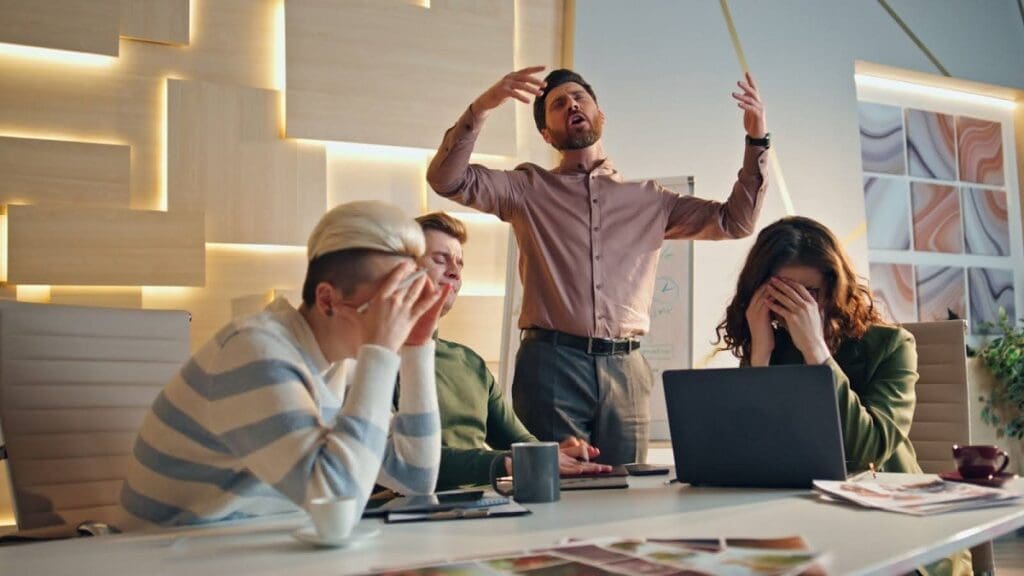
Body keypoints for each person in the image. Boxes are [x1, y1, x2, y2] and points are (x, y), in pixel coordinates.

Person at [426, 66, 769, 464]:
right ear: (547, 134)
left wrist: (757, 138)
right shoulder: (526, 189)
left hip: (628, 368)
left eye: (579, 97)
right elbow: (447, 179)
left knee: (627, 497)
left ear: (600, 114)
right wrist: (483, 107)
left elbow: (736, 221)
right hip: (552, 365)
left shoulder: (652, 200)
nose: (571, 104)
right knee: (552, 490)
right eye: (557, 104)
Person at [118, 201, 450, 529]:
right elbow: (337, 505)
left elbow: (415, 479)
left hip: (254, 552)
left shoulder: (336, 366)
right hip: (166, 557)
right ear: (327, 300)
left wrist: (417, 347)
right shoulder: (254, 352)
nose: (399, 316)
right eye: (386, 305)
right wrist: (380, 352)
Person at [713, 215, 971, 576]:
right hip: (803, 521)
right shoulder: (770, 348)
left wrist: (817, 352)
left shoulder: (892, 346)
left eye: (810, 294)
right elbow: (754, 451)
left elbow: (866, 451)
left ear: (834, 290)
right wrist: (759, 357)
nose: (796, 306)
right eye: (782, 292)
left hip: (895, 531)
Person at [412, 211, 611, 490]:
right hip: (405, 516)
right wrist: (505, 462)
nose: (455, 272)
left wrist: (550, 453)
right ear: (403, 269)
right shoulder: (371, 362)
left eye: (459, 263)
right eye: (439, 260)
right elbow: (401, 462)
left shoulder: (469, 363)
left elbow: (519, 442)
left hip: (481, 511)